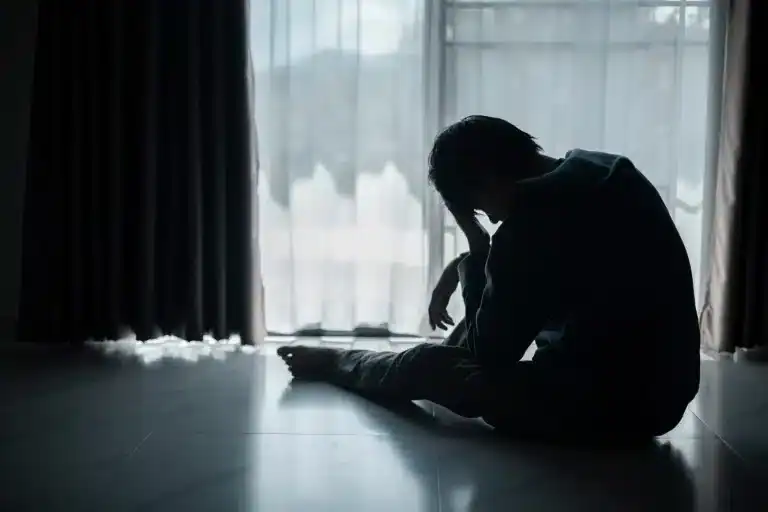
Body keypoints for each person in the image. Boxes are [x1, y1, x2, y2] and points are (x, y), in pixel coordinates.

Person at [278, 115, 701, 442]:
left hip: (613, 407)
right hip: (664, 394)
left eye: (477, 208)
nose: (491, 218)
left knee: (433, 365)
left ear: (486, 179)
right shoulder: (601, 168)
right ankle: (373, 364)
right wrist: (478, 261)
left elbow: (487, 356)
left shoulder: (530, 224)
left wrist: (479, 249)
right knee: (471, 332)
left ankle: (339, 362)